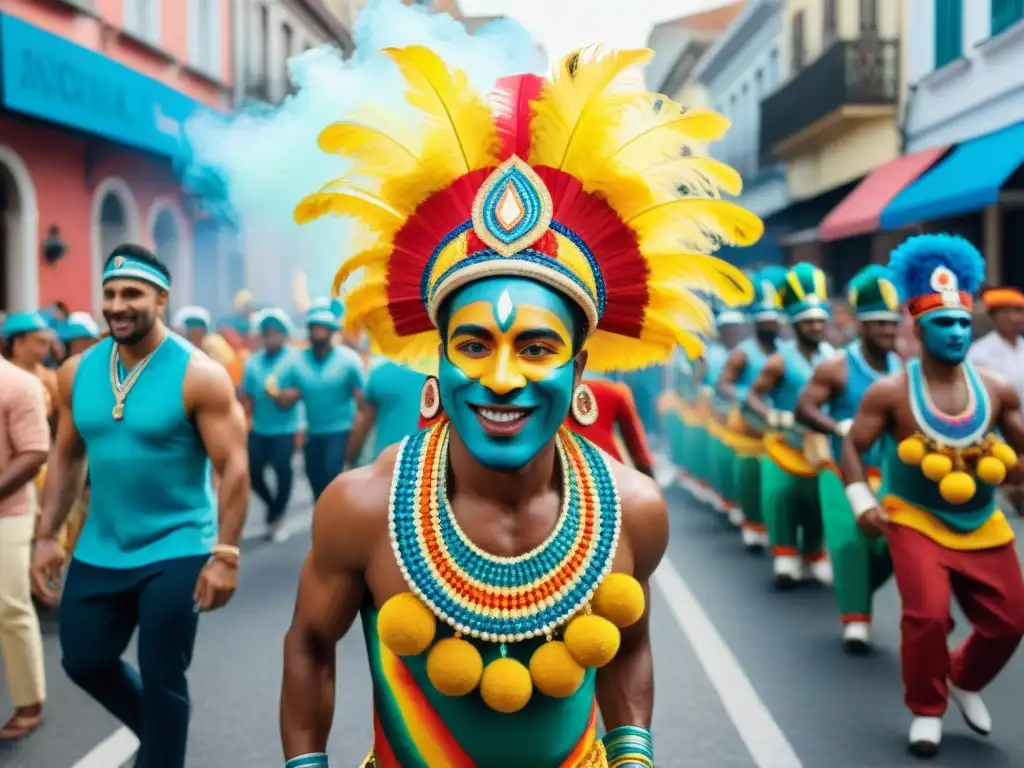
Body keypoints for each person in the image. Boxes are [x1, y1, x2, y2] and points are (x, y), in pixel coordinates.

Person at [279, 44, 759, 767]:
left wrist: (633, 754)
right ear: (437, 359)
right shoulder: (364, 507)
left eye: (535, 348)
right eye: (473, 345)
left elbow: (628, 644)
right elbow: (311, 644)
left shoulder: (634, 509)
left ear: (579, 367)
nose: (502, 377)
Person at [31, 244, 249, 768]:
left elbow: (234, 466)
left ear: (161, 298)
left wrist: (225, 554)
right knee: (84, 659)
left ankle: (161, 751)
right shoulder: (75, 372)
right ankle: (160, 735)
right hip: (102, 545)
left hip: (177, 546)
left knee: (162, 675)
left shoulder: (200, 374)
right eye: (109, 293)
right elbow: (66, 458)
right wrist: (46, 535)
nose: (117, 304)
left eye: (132, 293)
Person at [841, 234, 1024, 758]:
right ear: (918, 329)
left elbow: (1022, 452)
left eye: (965, 323)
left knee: (1011, 622)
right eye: (944, 323)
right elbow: (852, 447)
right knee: (925, 615)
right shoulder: (891, 392)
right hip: (915, 517)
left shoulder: (995, 389)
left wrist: (1014, 474)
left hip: (983, 522)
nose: (957, 332)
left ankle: (964, 678)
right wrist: (862, 501)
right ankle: (927, 708)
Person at [795, 266, 902, 652]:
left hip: (888, 469)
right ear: (861, 325)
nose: (888, 332)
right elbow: (803, 408)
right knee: (852, 543)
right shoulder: (836, 366)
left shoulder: (903, 368)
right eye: (878, 324)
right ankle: (857, 621)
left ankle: (853, 585)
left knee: (896, 542)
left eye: (893, 324)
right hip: (840, 468)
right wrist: (836, 426)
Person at [745, 263, 835, 588]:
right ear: (795, 325)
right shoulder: (779, 360)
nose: (815, 326)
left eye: (819, 320)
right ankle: (785, 555)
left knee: (817, 502)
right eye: (807, 321)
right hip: (784, 443)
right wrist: (771, 415)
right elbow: (752, 397)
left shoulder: (835, 358)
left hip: (820, 445)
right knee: (781, 497)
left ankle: (813, 554)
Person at [716, 266, 787, 553]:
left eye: (775, 321)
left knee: (776, 484)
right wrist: (742, 395)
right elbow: (724, 384)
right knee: (749, 480)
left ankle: (774, 528)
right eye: (766, 321)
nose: (772, 326)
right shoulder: (743, 352)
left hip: (778, 428)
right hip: (748, 427)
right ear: (756, 323)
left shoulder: (785, 351)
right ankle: (751, 524)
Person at [0, 353, 49, 740]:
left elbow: (34, 453)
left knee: (9, 606)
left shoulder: (17, 383)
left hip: (8, 511)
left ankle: (29, 702)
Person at [291, 300, 364, 500]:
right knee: (314, 478)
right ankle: (323, 517)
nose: (319, 333)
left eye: (323, 329)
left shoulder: (349, 360)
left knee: (332, 478)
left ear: (332, 331)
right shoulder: (297, 360)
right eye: (315, 328)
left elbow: (362, 400)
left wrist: (360, 432)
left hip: (340, 430)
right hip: (312, 432)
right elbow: (287, 394)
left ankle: (335, 521)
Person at [241, 308, 299, 541]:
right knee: (253, 473)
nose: (271, 336)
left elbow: (298, 392)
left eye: (276, 331)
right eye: (267, 332)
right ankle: (273, 507)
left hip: (285, 428)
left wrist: (282, 395)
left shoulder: (294, 360)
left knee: (283, 472)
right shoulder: (253, 361)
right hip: (259, 428)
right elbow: (246, 393)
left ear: (284, 334)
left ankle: (278, 515)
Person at [968, 286, 1024, 515]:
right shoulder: (979, 353)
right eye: (1007, 312)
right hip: (997, 435)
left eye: (1019, 311)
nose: (1015, 317)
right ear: (993, 316)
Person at [702, 302, 747, 524]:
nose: (732, 332)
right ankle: (724, 496)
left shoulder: (744, 352)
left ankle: (740, 503)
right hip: (717, 412)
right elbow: (701, 380)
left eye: (735, 327)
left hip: (739, 415)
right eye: (727, 327)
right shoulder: (711, 353)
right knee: (720, 460)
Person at [566, 372, 655, 477]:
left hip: (568, 474)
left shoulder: (550, 394)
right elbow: (639, 453)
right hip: (611, 474)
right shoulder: (614, 390)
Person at [347, 356, 425, 466]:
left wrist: (349, 459)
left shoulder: (381, 372)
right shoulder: (447, 373)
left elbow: (363, 421)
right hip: (431, 467)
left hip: (385, 465)